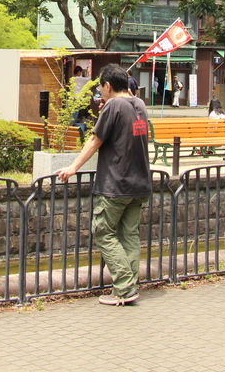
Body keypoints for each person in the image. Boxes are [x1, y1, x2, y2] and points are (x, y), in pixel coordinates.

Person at [56, 64, 151, 306]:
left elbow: (95, 139)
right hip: (140, 183)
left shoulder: (113, 105)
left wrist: (73, 167)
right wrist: (106, 108)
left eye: (101, 87)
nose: (100, 92)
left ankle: (124, 287)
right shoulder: (138, 104)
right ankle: (129, 287)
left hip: (116, 183)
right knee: (129, 235)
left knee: (104, 232)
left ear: (108, 86)